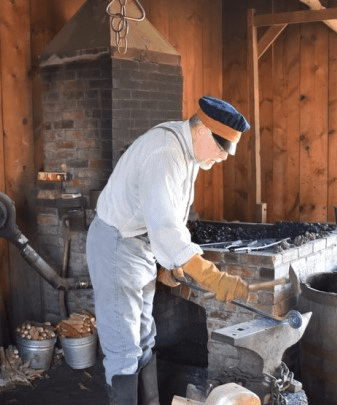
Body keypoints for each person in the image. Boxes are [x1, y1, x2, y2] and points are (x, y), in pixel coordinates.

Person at [86, 96, 251, 405]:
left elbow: (172, 217)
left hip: (140, 245)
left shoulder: (189, 154)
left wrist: (169, 265)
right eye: (221, 148)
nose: (223, 157)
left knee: (144, 337)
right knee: (124, 348)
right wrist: (212, 277)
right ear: (201, 130)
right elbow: (165, 228)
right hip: (116, 245)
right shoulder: (165, 153)